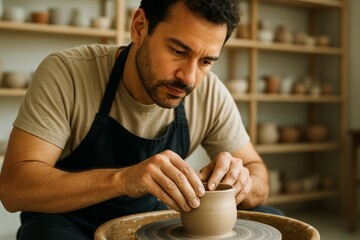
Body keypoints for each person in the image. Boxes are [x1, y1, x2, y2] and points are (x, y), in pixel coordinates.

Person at [0, 0, 281, 239]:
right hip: (68, 220)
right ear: (139, 27)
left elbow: (259, 176)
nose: (190, 77)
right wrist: (123, 179)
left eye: (206, 61)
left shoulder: (210, 93)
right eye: (179, 51)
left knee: (270, 218)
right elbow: (14, 188)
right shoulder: (67, 74)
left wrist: (242, 182)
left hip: (151, 219)